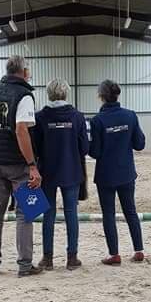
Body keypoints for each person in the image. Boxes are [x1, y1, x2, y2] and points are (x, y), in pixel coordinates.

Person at [0, 55, 42, 277]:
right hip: (18, 165)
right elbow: (21, 130)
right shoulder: (24, 95)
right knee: (26, 213)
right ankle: (25, 265)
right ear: (23, 71)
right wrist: (32, 165)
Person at [34, 79, 89, 272]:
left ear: (48, 94)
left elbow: (36, 147)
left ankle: (47, 258)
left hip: (47, 172)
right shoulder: (78, 117)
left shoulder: (40, 117)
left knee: (48, 214)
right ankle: (71, 257)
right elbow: (84, 147)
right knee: (71, 214)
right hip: (71, 171)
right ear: (67, 93)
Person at [89, 80, 146, 266]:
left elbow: (95, 152)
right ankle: (138, 250)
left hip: (106, 175)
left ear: (101, 96)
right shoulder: (130, 116)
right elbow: (140, 144)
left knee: (109, 214)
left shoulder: (97, 120)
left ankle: (114, 254)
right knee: (131, 211)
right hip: (126, 172)